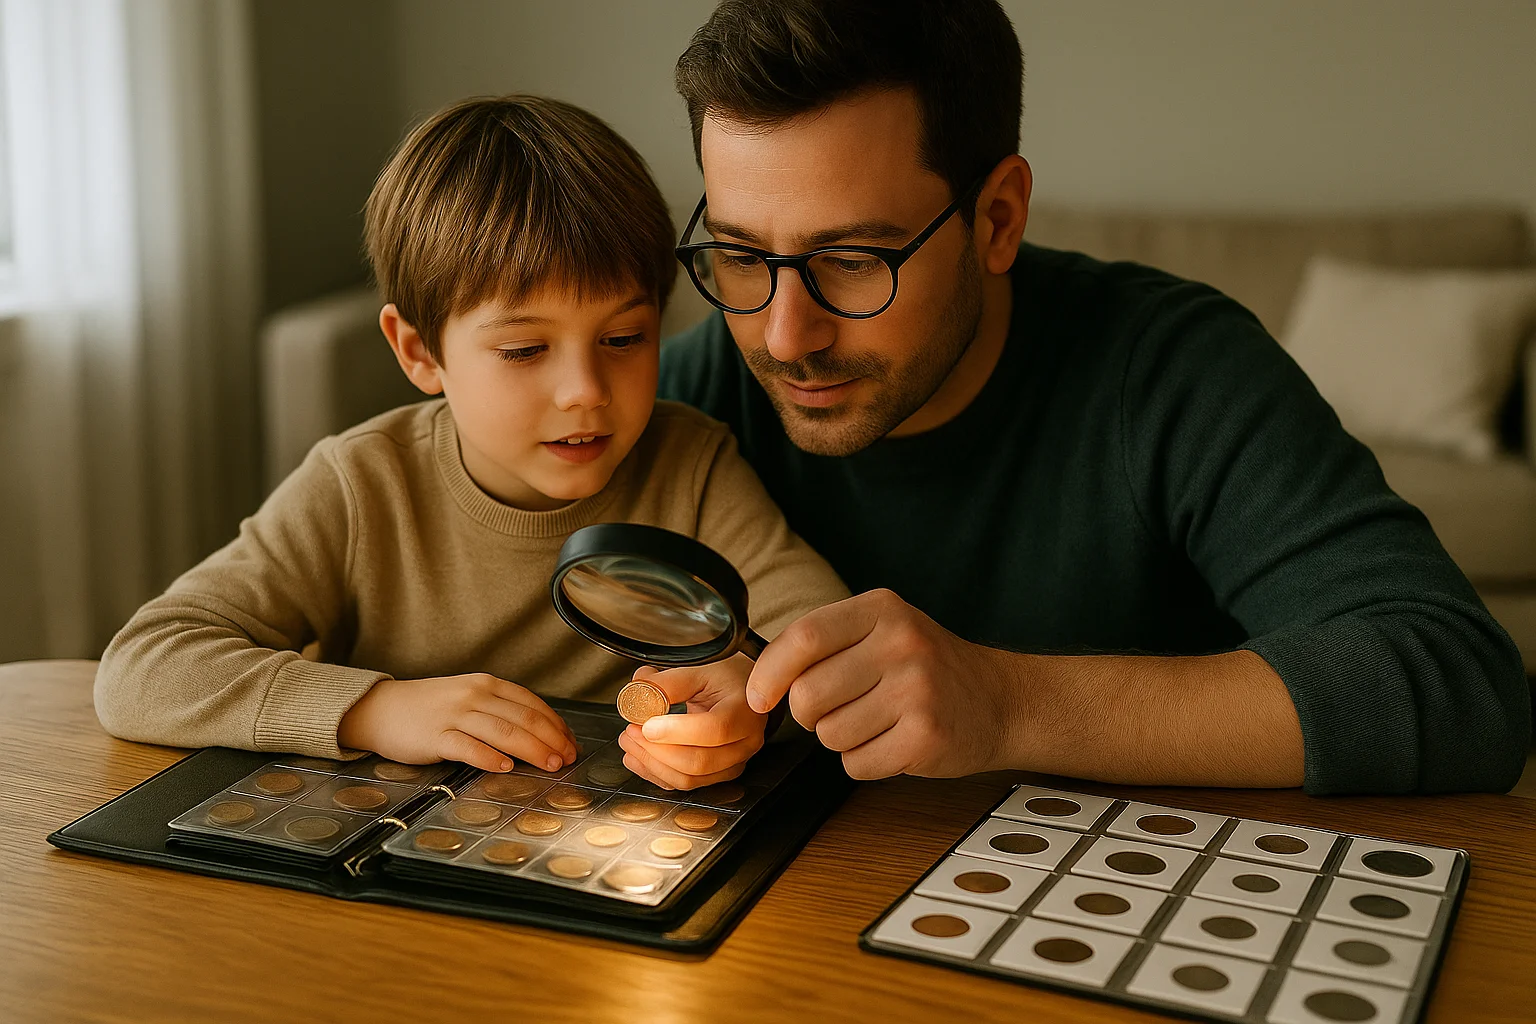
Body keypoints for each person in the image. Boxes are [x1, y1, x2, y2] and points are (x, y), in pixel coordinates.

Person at [652, 0, 1530, 794]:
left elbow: (1464, 688)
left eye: (852, 262)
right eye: (738, 255)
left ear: (997, 219)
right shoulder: (703, 388)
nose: (782, 337)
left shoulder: (1175, 369)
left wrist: (1007, 704)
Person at [94, 95, 847, 789]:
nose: (585, 388)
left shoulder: (691, 463)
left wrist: (746, 700)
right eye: (523, 351)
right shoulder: (362, 485)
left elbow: (816, 634)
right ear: (420, 353)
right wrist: (377, 709)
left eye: (623, 337)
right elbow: (143, 668)